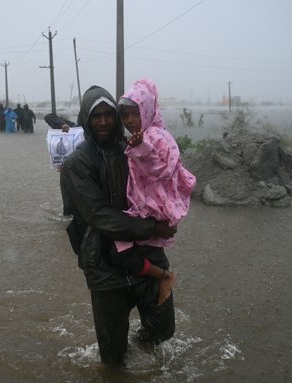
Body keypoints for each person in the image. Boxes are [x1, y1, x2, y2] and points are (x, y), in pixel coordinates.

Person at [61, 85, 177, 367]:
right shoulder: (77, 164)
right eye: (95, 116)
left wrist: (169, 214)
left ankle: (142, 347)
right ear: (86, 120)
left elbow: (162, 178)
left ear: (117, 116)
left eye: (108, 114)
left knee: (164, 329)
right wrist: (153, 228)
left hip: (146, 253)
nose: (103, 121)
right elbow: (100, 216)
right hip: (103, 264)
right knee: (113, 358)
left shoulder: (134, 147)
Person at [114, 78, 196, 305]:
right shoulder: (139, 136)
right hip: (142, 208)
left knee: (124, 250)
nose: (130, 120)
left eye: (135, 113)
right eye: (125, 115)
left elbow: (163, 170)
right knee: (125, 251)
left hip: (154, 212)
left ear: (147, 110)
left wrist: (143, 149)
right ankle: (161, 282)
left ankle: (164, 280)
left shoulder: (158, 137)